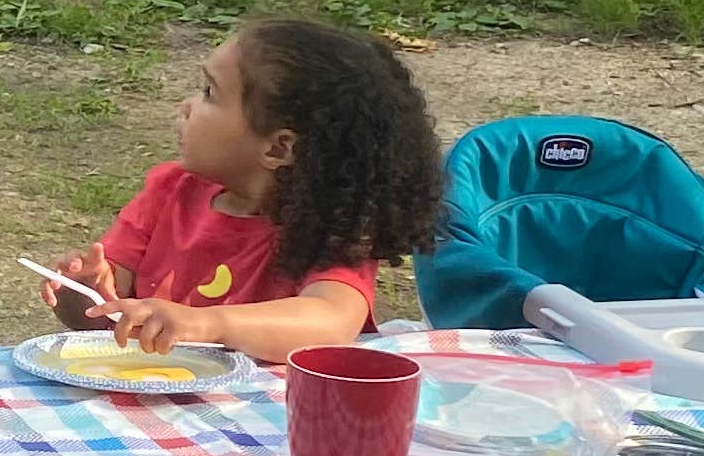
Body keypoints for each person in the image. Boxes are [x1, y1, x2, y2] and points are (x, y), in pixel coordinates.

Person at [42, 18, 443, 359]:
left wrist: (207, 323)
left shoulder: (327, 228)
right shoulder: (169, 191)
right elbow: (106, 320)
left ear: (277, 147)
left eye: (210, 92)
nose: (187, 106)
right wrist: (88, 294)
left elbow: (332, 320)